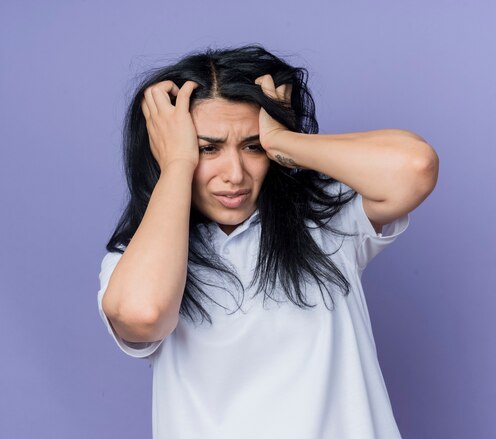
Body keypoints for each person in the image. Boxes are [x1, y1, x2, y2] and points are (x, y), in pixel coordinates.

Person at [97, 44, 439, 439]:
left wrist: (283, 142)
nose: (235, 174)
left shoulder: (324, 222)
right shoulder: (138, 259)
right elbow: (143, 315)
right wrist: (177, 164)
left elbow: (415, 167)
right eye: (207, 148)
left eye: (252, 146)